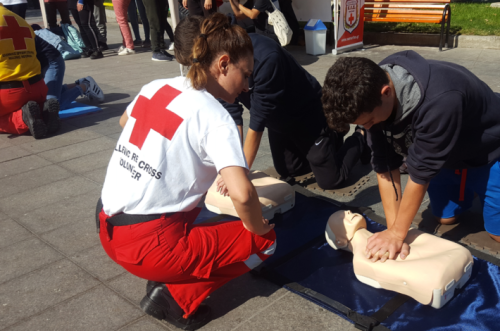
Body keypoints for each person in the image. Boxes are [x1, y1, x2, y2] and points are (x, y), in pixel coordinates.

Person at [98, 13, 276, 330]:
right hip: (148, 247)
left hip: (106, 225)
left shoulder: (155, 86)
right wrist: (259, 227)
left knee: (198, 211)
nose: (247, 85)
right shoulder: (215, 116)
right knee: (267, 243)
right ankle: (176, 297)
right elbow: (242, 193)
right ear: (223, 64)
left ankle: (168, 275)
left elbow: (126, 122)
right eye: (245, 74)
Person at [321, 51, 500, 263]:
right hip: (448, 158)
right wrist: (393, 231)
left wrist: (398, 234)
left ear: (386, 92)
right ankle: (469, 187)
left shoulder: (441, 99)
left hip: (489, 150)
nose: (366, 128)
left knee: (496, 235)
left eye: (368, 121)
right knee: (446, 219)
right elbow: (384, 167)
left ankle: (481, 185)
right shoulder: (371, 88)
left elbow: (421, 173)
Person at [174, 15, 370, 191]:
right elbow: (233, 114)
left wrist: (239, 174)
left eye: (247, 76)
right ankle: (327, 146)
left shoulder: (265, 59)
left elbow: (257, 124)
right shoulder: (216, 65)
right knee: (289, 170)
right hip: (278, 119)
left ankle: (358, 135)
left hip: (307, 114)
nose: (244, 87)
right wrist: (232, 163)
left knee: (330, 180)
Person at [0, 4, 58, 138]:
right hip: (38, 87)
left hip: (9, 94)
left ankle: (22, 119)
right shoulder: (20, 20)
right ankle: (42, 115)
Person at [36, 34, 104, 113]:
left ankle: (86, 85)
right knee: (43, 96)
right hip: (42, 62)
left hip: (52, 61)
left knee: (53, 107)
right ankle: (80, 83)